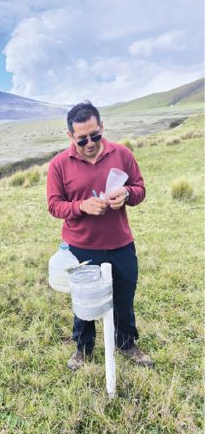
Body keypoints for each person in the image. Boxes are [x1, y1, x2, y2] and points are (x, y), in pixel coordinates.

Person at [46, 101, 151, 371]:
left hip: (120, 243)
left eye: (95, 135)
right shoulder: (59, 164)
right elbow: (54, 205)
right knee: (84, 301)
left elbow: (140, 189)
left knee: (125, 297)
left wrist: (127, 194)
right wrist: (81, 206)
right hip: (81, 248)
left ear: (102, 126)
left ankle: (126, 344)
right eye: (82, 139)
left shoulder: (122, 154)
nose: (90, 143)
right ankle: (83, 348)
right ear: (70, 135)